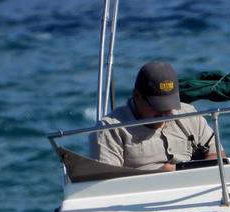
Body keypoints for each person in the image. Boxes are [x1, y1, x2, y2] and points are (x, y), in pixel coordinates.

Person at [89, 61, 221, 171]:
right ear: (137, 96)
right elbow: (106, 182)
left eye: (169, 105)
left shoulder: (190, 114)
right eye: (157, 105)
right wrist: (160, 175)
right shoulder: (110, 129)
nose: (164, 113)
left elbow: (217, 156)